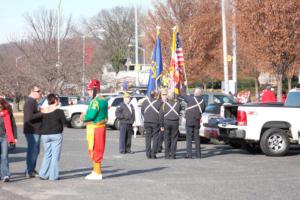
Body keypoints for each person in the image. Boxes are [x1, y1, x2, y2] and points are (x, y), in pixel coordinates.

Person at [81, 79, 108, 181]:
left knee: (95, 149)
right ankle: (96, 170)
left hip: (95, 129)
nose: (89, 92)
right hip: (101, 127)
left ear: (95, 90)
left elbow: (90, 116)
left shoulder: (95, 101)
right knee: (98, 149)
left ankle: (97, 173)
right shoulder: (104, 100)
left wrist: (83, 116)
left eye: (90, 90)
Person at [38, 94, 66, 180]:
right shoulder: (59, 112)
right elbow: (64, 122)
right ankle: (53, 176)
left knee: (47, 154)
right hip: (56, 134)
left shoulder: (43, 111)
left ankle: (43, 174)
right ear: (56, 101)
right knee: (55, 156)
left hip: (45, 135)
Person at [180, 87, 206, 159]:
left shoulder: (191, 99)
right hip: (197, 120)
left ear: (195, 93)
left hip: (189, 121)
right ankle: (198, 154)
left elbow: (182, 94)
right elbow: (203, 110)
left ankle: (189, 154)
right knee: (197, 138)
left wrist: (184, 87)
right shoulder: (203, 101)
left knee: (189, 138)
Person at [23, 84, 43, 177]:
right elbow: (29, 117)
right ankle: (29, 171)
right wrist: (42, 113)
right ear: (32, 92)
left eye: (40, 91)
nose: (40, 93)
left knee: (36, 151)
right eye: (38, 91)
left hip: (36, 130)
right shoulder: (29, 102)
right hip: (32, 130)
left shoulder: (34, 101)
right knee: (33, 151)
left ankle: (31, 169)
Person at [159, 91, 181, 159]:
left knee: (166, 138)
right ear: (173, 97)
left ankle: (167, 155)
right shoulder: (178, 104)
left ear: (167, 97)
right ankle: (173, 155)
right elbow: (179, 110)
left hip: (166, 122)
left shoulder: (164, 105)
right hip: (175, 122)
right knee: (174, 139)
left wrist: (161, 125)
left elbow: (161, 115)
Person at [141, 90, 163, 159]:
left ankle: (148, 153)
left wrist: (147, 117)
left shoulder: (145, 102)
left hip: (147, 121)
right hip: (155, 122)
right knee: (155, 138)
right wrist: (161, 123)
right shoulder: (159, 103)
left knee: (148, 138)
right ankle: (153, 154)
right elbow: (161, 115)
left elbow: (142, 111)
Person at [0, 98, 17, 182]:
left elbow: (13, 124)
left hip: (5, 137)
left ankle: (5, 175)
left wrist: (15, 137)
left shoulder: (8, 113)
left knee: (4, 156)